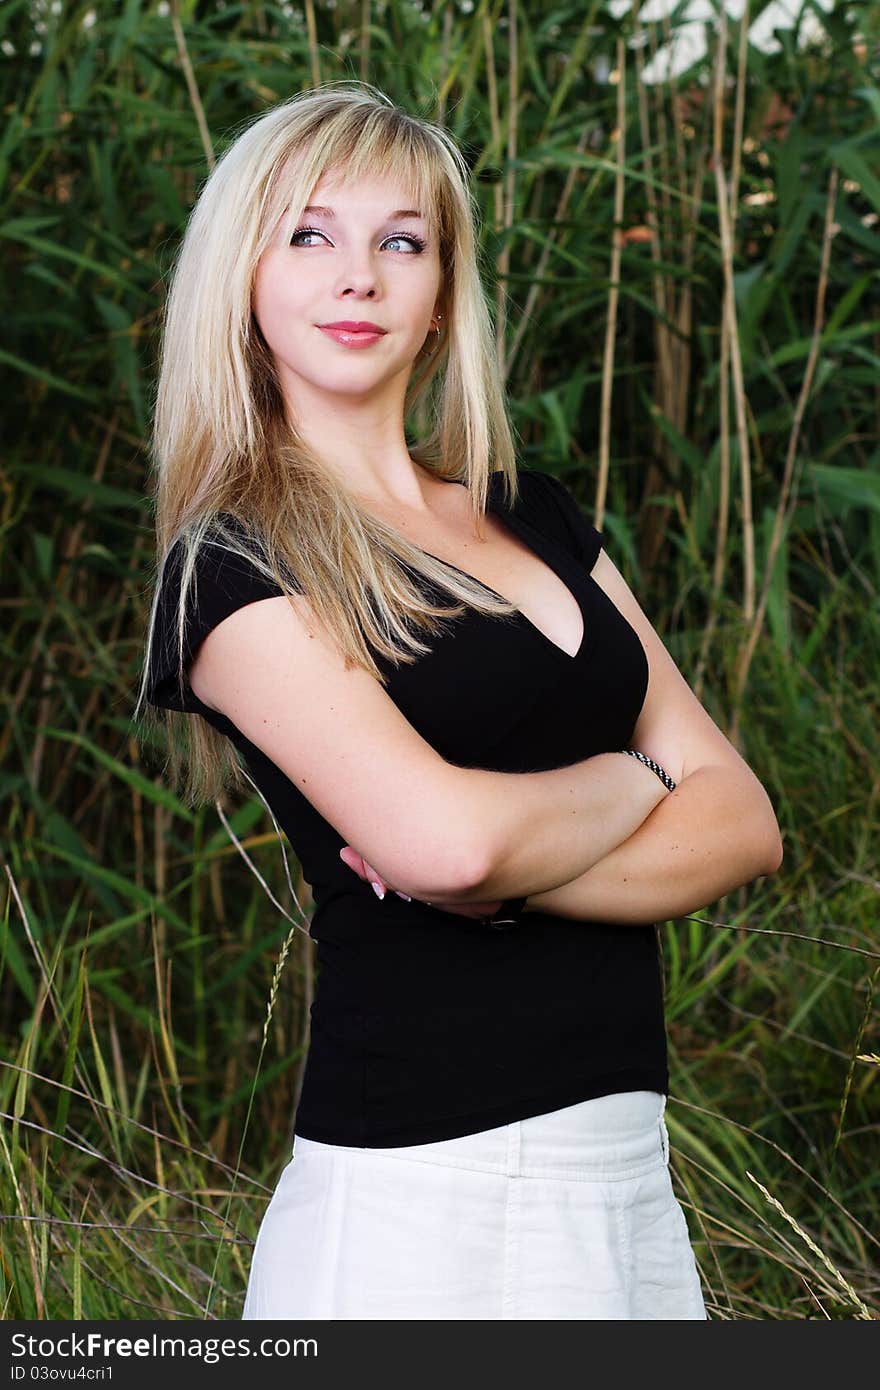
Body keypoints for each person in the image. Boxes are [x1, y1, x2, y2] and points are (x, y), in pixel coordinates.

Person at [140, 81, 783, 1320]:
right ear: (245, 278)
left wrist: (477, 853)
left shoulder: (533, 513)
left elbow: (742, 820)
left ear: (441, 293)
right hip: (425, 1196)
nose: (359, 276)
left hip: (629, 1183)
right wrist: (636, 780)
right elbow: (448, 840)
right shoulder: (228, 561)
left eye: (402, 241)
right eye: (310, 234)